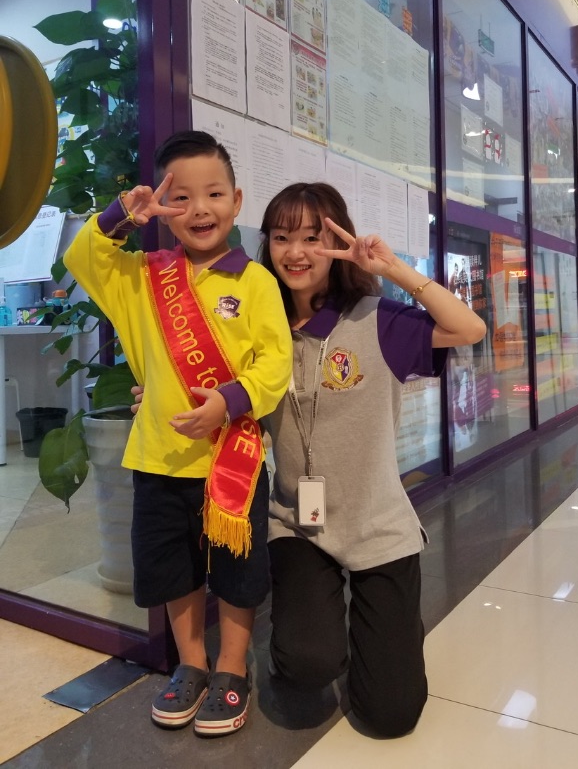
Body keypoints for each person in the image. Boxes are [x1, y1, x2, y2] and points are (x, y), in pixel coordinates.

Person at [63, 130, 292, 737]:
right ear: (163, 207)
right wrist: (120, 215)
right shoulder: (143, 276)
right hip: (159, 458)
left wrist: (229, 402)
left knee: (237, 573)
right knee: (173, 570)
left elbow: (275, 363)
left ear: (236, 202)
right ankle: (191, 665)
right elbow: (83, 258)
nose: (199, 209)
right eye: (181, 197)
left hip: (233, 461)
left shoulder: (256, 282)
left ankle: (232, 668)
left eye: (214, 194)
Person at [259, 182, 486, 737]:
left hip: (378, 523)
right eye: (282, 238)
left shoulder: (375, 319)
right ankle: (313, 635)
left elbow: (469, 328)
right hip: (298, 524)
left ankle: (391, 633)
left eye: (312, 238)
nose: (296, 252)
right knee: (307, 663)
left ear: (338, 244)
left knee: (391, 716)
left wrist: (393, 269)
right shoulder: (259, 328)